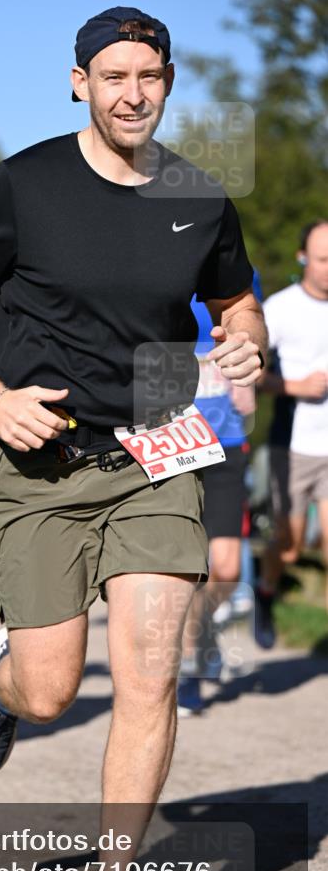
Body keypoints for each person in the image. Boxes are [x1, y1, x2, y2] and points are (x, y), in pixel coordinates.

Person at [0, 6, 266, 871]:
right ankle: (4, 691)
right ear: (79, 82)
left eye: (147, 75)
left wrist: (246, 339)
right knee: (55, 687)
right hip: (38, 466)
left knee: (152, 675)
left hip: (155, 457)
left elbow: (237, 301)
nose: (131, 92)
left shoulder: (197, 195)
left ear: (166, 80)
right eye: (111, 76)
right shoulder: (25, 184)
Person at [177, 288, 258, 715]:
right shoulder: (152, 260)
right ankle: (189, 669)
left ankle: (201, 631)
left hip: (227, 440)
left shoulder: (237, 274)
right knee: (190, 568)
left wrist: (251, 376)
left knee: (224, 569)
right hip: (174, 441)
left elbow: (252, 335)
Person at [256, 220, 328, 641]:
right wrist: (294, 387)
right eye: (322, 259)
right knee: (289, 545)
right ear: (303, 258)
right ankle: (266, 591)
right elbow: (249, 375)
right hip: (295, 446)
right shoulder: (280, 309)